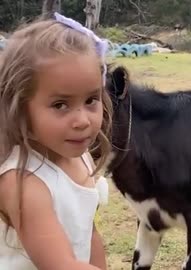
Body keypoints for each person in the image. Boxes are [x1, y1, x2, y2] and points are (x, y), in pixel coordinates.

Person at [0, 12, 112, 270]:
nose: (83, 120)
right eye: (60, 104)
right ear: (19, 109)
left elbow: (88, 234)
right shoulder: (24, 182)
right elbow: (61, 265)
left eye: (90, 100)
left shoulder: (78, 155)